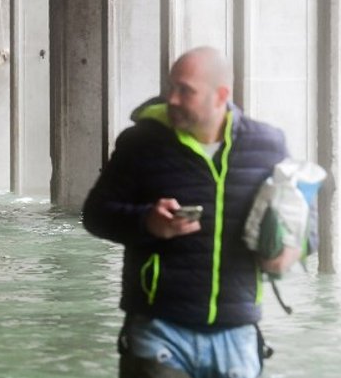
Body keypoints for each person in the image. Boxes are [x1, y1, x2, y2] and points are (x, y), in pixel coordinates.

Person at [82, 47, 289, 378]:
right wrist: (148, 222)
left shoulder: (267, 146)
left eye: (185, 90)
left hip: (238, 336)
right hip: (159, 329)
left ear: (221, 95)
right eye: (171, 87)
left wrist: (287, 252)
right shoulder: (140, 143)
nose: (172, 99)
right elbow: (96, 215)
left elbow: (301, 224)